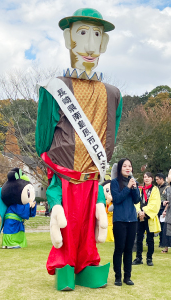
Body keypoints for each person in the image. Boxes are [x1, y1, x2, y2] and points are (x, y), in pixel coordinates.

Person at [35, 8, 122, 290]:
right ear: (68, 39)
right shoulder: (55, 87)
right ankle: (65, 269)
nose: (89, 45)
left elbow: (111, 135)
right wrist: (55, 170)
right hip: (64, 174)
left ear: (104, 43)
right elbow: (43, 136)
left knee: (89, 229)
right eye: (82, 33)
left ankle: (87, 267)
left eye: (96, 35)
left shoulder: (113, 93)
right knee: (65, 227)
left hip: (91, 176)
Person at [110, 158, 140, 286]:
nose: (128, 168)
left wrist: (134, 188)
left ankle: (127, 277)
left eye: (129, 166)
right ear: (120, 168)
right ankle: (118, 277)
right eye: (124, 166)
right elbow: (117, 199)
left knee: (129, 250)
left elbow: (137, 200)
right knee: (119, 249)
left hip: (132, 220)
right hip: (119, 220)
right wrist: (128, 188)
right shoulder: (114, 182)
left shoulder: (133, 182)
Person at [132, 172, 161, 266]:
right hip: (140, 217)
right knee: (139, 238)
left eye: (148, 177)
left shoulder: (154, 189)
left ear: (152, 179)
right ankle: (138, 257)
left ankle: (149, 258)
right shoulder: (140, 189)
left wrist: (144, 211)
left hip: (149, 216)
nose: (146, 179)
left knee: (150, 239)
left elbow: (155, 203)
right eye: (145, 177)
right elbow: (136, 201)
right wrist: (139, 212)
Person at [155, 173, 168, 247]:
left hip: (163, 209)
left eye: (157, 179)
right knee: (158, 226)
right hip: (157, 208)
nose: (156, 181)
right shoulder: (157, 187)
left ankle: (163, 242)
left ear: (162, 179)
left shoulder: (167, 187)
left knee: (163, 227)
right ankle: (160, 242)